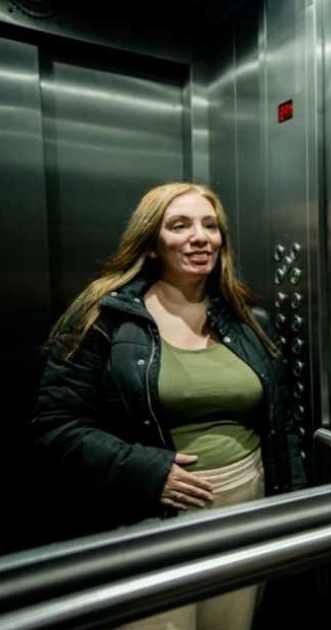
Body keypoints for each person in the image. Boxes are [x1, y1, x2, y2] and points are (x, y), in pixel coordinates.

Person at [31, 182, 306, 630]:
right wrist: (147, 471)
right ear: (152, 243)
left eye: (210, 225)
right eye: (179, 225)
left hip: (244, 505)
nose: (200, 237)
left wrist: (292, 512)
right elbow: (56, 424)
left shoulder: (248, 322)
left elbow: (284, 423)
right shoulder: (104, 319)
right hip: (152, 514)